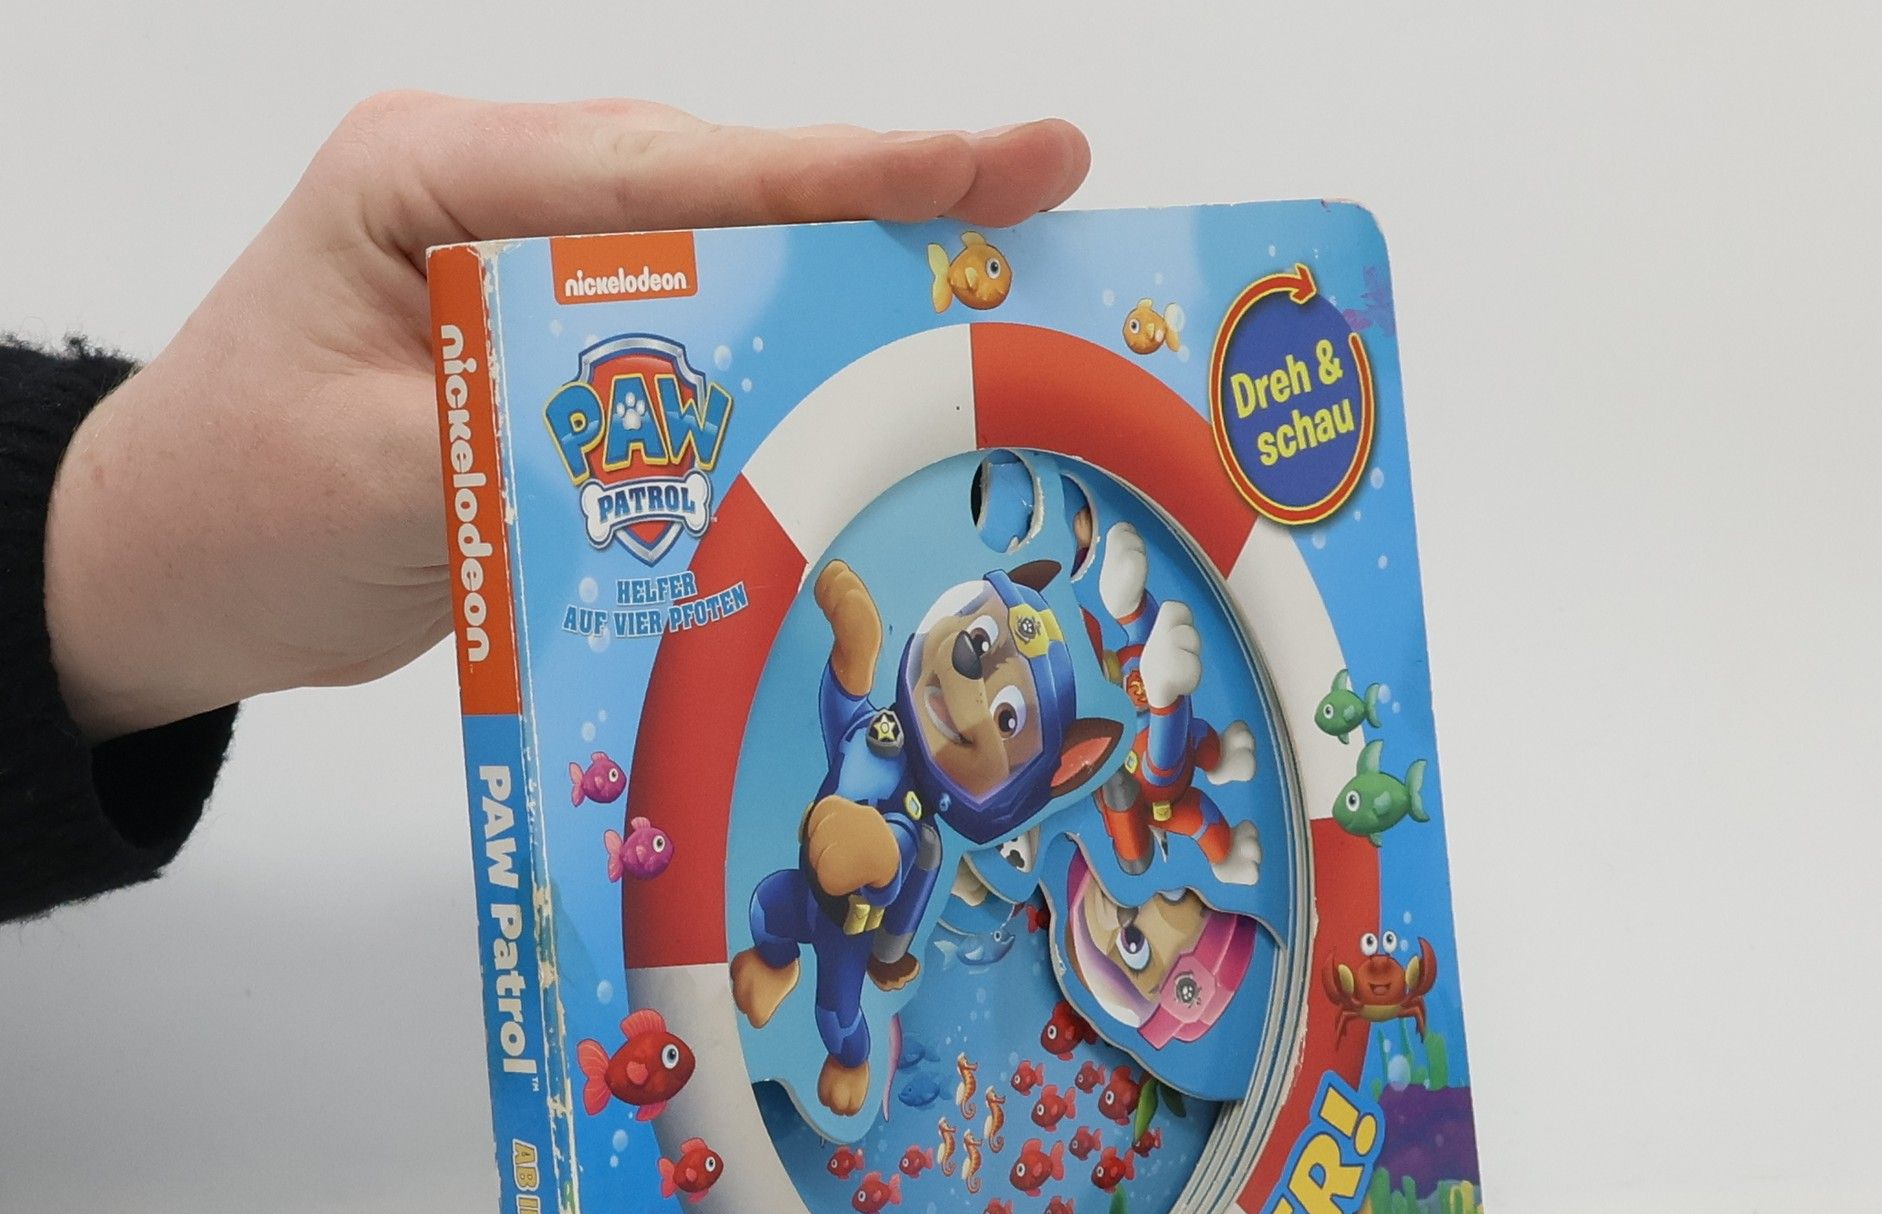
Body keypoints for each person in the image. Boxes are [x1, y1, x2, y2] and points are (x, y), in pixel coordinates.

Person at [0, 93, 1090, 925]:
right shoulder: (877, 713)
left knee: (840, 983)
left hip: (859, 891)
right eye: (983, 649)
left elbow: (898, 874)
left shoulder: (933, 831)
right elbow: (847, 692)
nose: (973, 688)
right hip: (765, 858)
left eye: (1007, 717)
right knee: (771, 918)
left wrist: (106, 549)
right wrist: (117, 546)